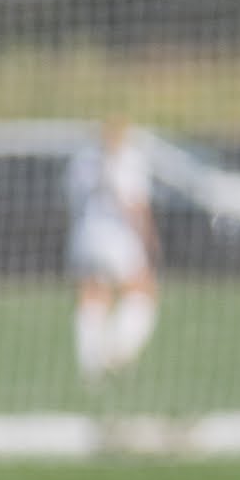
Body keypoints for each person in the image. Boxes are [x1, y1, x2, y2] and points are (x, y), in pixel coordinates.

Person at [69, 119, 160, 392]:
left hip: (85, 233)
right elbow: (134, 204)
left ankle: (90, 367)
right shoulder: (128, 159)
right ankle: (117, 350)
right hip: (117, 236)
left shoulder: (81, 160)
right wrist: (149, 238)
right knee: (142, 291)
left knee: (93, 294)